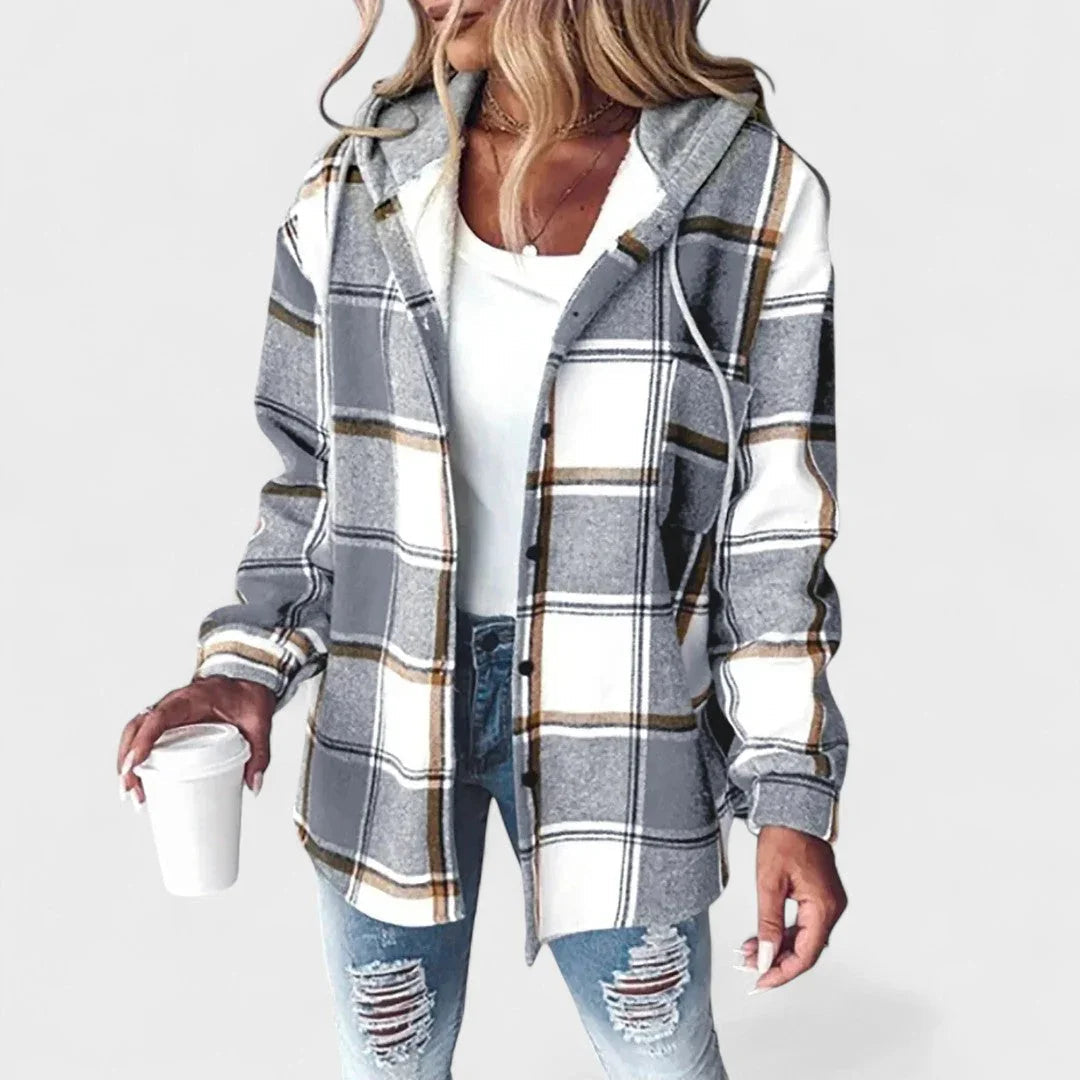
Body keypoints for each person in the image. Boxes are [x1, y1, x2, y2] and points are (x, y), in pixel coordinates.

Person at [116, 1, 849, 1076]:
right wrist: (241, 670)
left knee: (661, 1060)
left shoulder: (750, 194)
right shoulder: (358, 187)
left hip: (622, 724)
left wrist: (790, 791)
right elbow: (312, 480)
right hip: (391, 715)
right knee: (391, 1066)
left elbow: (773, 526)